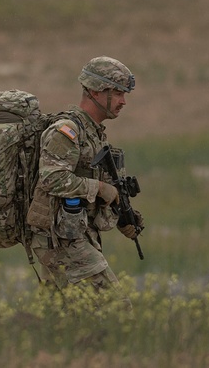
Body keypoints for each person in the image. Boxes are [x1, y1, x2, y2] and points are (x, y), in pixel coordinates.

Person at [24, 56, 144, 292]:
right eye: (118, 93)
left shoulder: (94, 134)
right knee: (114, 309)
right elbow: (51, 179)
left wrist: (122, 216)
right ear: (95, 92)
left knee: (64, 317)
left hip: (74, 234)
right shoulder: (67, 131)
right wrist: (99, 188)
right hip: (59, 239)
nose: (123, 101)